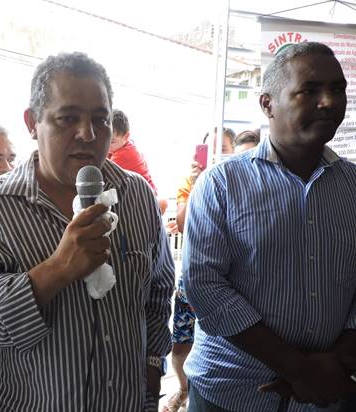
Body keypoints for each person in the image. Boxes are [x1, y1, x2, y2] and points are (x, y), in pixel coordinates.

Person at [0, 52, 175, 412]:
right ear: (32, 123)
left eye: (100, 119)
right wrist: (55, 271)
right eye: (68, 118)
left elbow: (159, 290)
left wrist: (151, 367)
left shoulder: (136, 196)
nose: (87, 134)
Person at [183, 42, 356, 411]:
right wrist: (298, 368)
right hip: (231, 393)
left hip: (329, 390)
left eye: (337, 89)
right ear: (267, 104)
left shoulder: (353, 186)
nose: (329, 102)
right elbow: (204, 286)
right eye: (310, 90)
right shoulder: (221, 184)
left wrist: (338, 361)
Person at [161, 127, 235, 412]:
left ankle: (201, 393)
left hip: (228, 280)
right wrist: (196, 185)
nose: (217, 154)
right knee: (180, 344)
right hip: (191, 279)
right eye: (211, 148)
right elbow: (182, 224)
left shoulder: (240, 182)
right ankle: (183, 389)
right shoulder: (189, 182)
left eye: (223, 148)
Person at [108, 109, 157, 193]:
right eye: (105, 140)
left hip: (144, 194)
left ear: (126, 136)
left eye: (112, 142)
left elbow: (106, 174)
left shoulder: (122, 156)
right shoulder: (127, 144)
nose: (107, 145)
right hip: (150, 189)